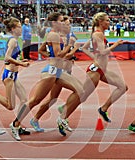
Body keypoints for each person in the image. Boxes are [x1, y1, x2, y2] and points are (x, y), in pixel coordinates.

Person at [8, 12, 83, 141]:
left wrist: (52, 55)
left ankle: (62, 117)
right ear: (54, 23)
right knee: (35, 100)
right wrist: (71, 46)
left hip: (57, 71)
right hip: (51, 72)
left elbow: (44, 51)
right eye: (60, 21)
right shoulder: (53, 35)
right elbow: (59, 55)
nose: (63, 23)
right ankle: (15, 124)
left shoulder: (56, 35)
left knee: (81, 90)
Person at [58, 12, 126, 125]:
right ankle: (62, 116)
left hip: (102, 70)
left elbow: (84, 48)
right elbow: (103, 52)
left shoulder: (98, 34)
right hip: (95, 71)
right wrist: (116, 44)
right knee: (82, 95)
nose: (109, 22)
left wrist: (95, 57)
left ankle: (103, 109)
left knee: (123, 87)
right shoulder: (97, 34)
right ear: (100, 22)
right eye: (107, 20)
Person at [30, 15, 80, 133]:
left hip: (66, 70)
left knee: (56, 98)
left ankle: (62, 118)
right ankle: (39, 118)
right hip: (58, 70)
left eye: (68, 24)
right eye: (66, 23)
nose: (68, 26)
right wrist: (71, 50)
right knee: (53, 98)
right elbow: (48, 51)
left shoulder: (70, 36)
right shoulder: (57, 37)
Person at [0, 17, 31, 135]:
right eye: (19, 27)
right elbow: (6, 57)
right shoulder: (13, 41)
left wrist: (21, 59)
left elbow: (12, 57)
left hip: (14, 74)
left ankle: (16, 124)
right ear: (12, 29)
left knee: (25, 101)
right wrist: (21, 63)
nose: (21, 29)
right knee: (10, 106)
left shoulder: (15, 40)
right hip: (9, 75)